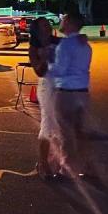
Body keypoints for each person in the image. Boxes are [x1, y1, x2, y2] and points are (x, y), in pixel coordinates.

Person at [50, 13, 93, 178]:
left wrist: (48, 63)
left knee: (65, 132)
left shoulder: (65, 45)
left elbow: (60, 70)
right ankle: (86, 166)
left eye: (63, 20)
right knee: (80, 131)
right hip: (83, 91)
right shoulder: (85, 45)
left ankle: (66, 169)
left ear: (69, 23)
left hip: (67, 92)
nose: (61, 22)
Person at [29, 17, 64, 179]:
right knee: (48, 124)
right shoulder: (34, 47)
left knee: (62, 125)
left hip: (63, 86)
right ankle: (43, 163)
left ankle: (58, 162)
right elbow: (39, 72)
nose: (48, 27)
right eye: (43, 25)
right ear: (36, 30)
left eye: (48, 24)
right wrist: (43, 58)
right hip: (47, 86)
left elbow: (71, 45)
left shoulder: (58, 41)